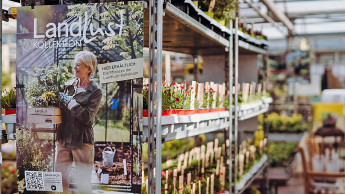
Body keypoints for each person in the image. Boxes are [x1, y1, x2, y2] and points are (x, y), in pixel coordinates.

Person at [56, 50, 102, 193]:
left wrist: (70, 102)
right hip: (64, 139)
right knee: (60, 179)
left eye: (78, 65)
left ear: (89, 68)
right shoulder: (68, 86)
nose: (75, 68)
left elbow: (87, 117)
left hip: (82, 141)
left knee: (83, 183)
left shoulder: (95, 91)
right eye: (75, 64)